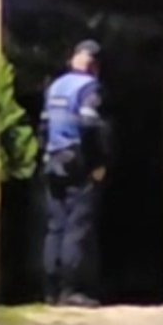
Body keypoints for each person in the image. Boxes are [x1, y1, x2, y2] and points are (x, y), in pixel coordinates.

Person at [39, 40, 110, 307]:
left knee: (55, 227)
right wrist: (97, 163)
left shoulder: (55, 87)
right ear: (94, 65)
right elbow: (89, 124)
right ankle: (71, 290)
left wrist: (47, 154)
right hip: (78, 163)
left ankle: (51, 291)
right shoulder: (89, 87)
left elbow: (44, 126)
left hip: (53, 161)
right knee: (77, 227)